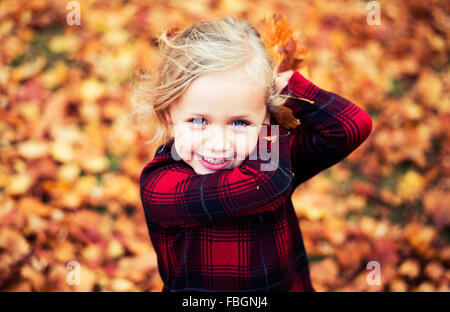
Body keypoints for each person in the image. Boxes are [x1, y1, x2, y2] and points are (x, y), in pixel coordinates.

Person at [134, 16, 373, 292]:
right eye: (199, 121)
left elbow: (351, 126)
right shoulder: (161, 184)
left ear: (263, 116)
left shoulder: (272, 158)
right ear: (167, 114)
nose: (218, 144)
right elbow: (264, 184)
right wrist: (267, 120)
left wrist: (288, 88)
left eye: (239, 122)